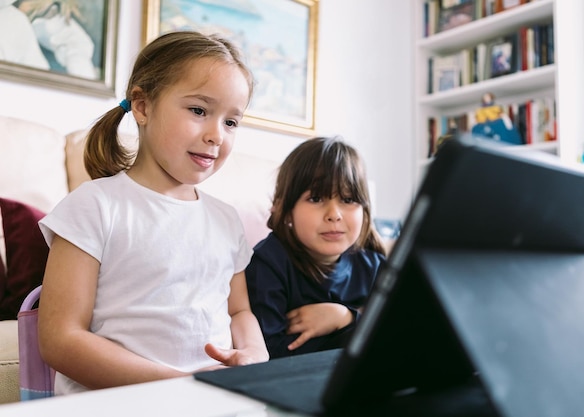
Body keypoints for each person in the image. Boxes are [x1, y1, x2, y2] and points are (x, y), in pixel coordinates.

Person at [37, 31, 269, 395]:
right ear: (143, 107)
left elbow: (239, 312)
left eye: (231, 122)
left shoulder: (226, 220)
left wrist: (254, 353)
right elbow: (60, 340)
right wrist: (182, 385)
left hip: (211, 400)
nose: (217, 135)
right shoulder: (94, 206)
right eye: (198, 110)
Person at [245, 136, 387, 358]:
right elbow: (268, 352)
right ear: (287, 208)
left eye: (348, 200)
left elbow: (403, 330)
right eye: (316, 198)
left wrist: (345, 318)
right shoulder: (268, 263)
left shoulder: (373, 265)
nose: (334, 215)